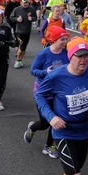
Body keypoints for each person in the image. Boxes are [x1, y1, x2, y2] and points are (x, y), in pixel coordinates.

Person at [34, 37, 88, 175]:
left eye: (87, 55)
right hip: (63, 131)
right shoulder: (56, 76)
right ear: (70, 56)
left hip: (84, 130)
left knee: (73, 172)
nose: (84, 60)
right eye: (80, 56)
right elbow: (40, 95)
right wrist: (51, 117)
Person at [25, 26, 70, 159]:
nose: (65, 41)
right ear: (54, 40)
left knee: (57, 119)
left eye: (66, 39)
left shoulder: (66, 53)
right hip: (43, 92)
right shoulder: (43, 54)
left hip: (58, 92)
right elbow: (33, 70)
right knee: (45, 123)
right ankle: (33, 128)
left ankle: (49, 146)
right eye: (62, 39)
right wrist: (46, 73)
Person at [10, 0, 37, 69]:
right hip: (19, 31)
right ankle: (17, 60)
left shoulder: (31, 9)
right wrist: (17, 19)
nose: (26, 4)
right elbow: (11, 17)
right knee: (21, 47)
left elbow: (35, 17)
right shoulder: (17, 9)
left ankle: (20, 60)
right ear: (21, 3)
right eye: (24, 3)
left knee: (24, 47)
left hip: (27, 31)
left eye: (27, 3)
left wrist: (32, 19)